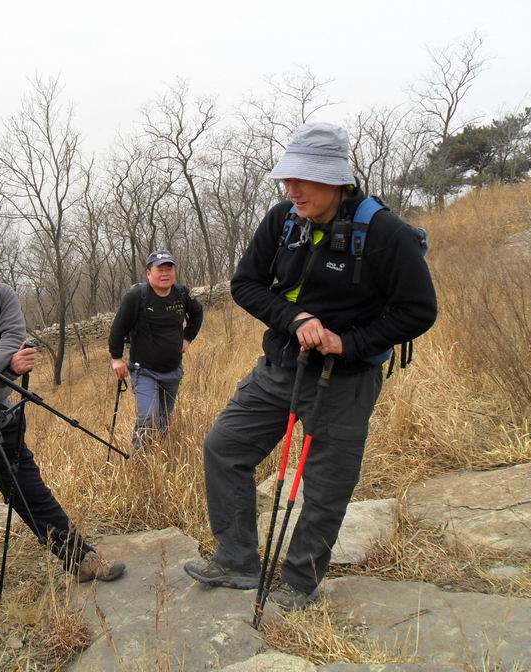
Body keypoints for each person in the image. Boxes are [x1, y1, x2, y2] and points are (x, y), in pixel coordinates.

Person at [184, 123, 437, 609]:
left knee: (325, 486)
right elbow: (246, 285)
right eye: (287, 178)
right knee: (224, 446)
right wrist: (295, 317)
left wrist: (350, 343)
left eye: (304, 178)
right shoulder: (283, 220)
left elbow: (419, 310)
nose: (291, 189)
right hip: (281, 366)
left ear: (337, 180)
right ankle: (237, 560)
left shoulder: (384, 233)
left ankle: (299, 582)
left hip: (346, 380)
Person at [0, 230, 126, 596]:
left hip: (0, 416)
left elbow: (13, 338)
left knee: (29, 490)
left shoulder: (2, 297)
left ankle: (79, 558)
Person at [108, 251, 204, 451]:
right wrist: (116, 358)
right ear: (148, 273)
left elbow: (197, 313)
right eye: (159, 269)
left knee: (164, 418)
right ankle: (140, 462)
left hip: (172, 369)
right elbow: (118, 327)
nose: (165, 273)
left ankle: (158, 456)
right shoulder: (137, 296)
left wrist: (187, 338)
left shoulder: (182, 293)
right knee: (148, 417)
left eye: (169, 268)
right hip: (144, 370)